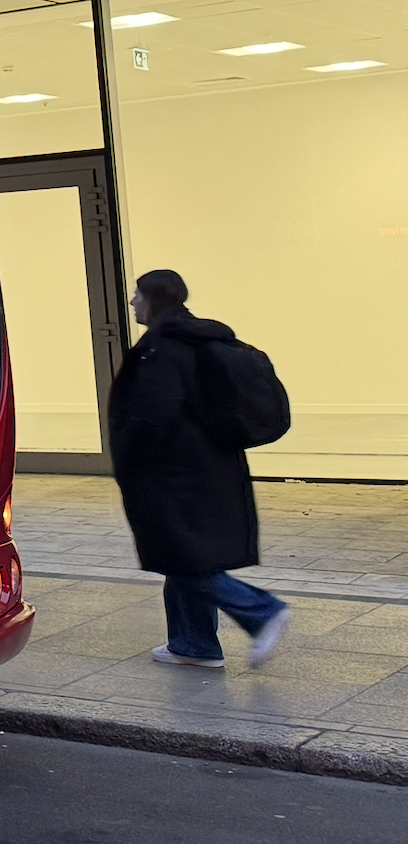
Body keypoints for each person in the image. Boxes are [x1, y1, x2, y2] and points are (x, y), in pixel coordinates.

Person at [110, 269, 293, 668]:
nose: (132, 302)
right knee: (184, 553)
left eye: (137, 294)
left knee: (181, 557)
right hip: (209, 467)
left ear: (155, 298)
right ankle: (193, 644)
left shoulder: (163, 348)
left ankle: (262, 611)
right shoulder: (198, 339)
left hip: (172, 474)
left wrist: (128, 456)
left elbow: (153, 414)